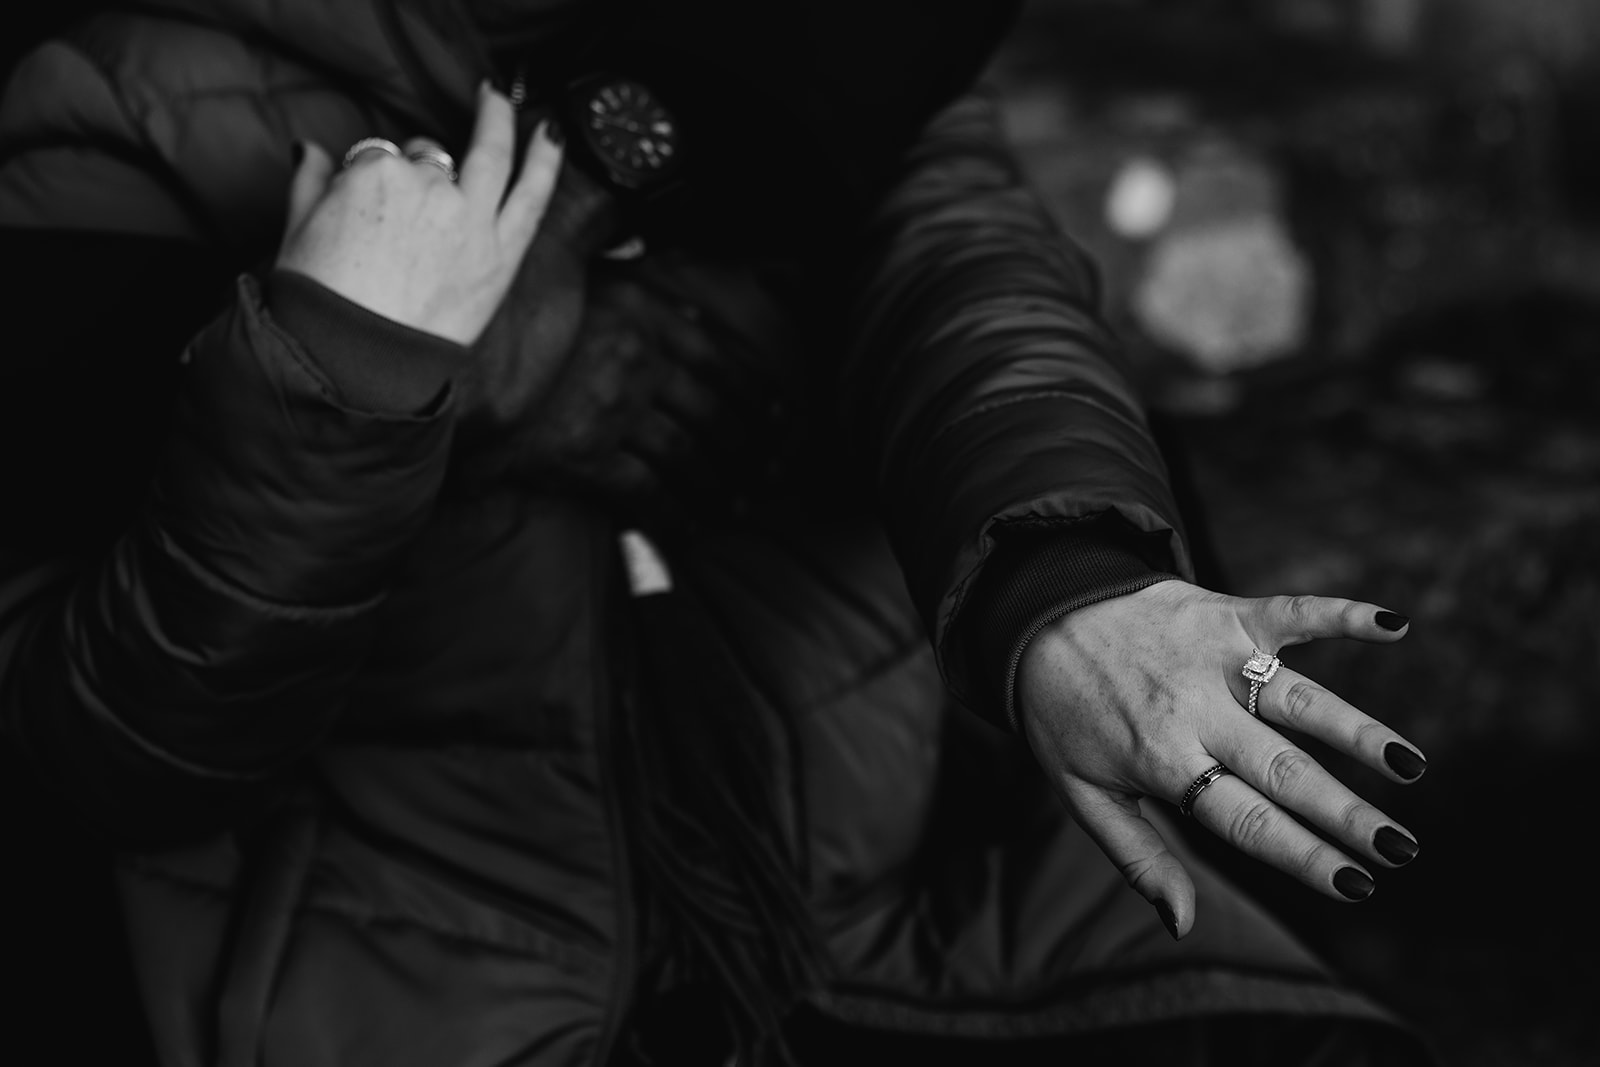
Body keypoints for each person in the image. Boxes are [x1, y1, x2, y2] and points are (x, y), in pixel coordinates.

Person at [0, 1, 1435, 1064]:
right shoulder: (126, 103)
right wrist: (353, 378)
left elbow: (972, 284)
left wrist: (1058, 584)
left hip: (914, 938)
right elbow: (122, 750)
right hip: (426, 989)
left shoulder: (824, 36)